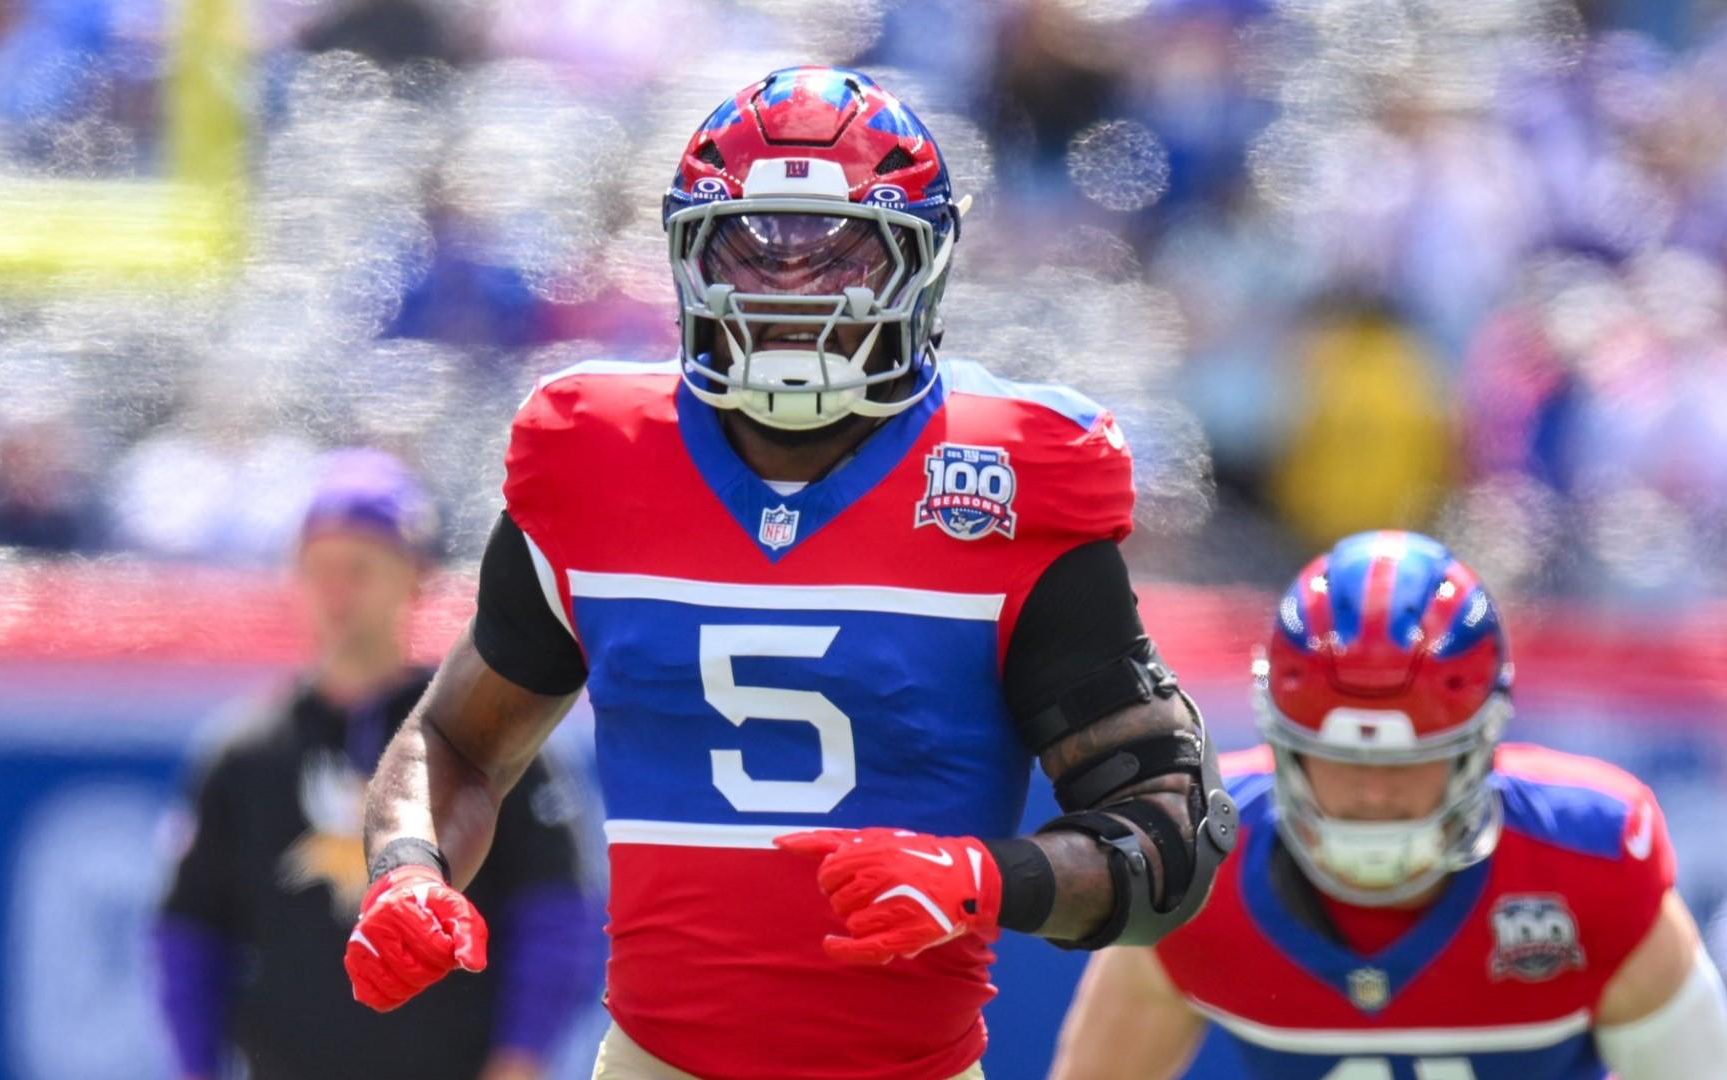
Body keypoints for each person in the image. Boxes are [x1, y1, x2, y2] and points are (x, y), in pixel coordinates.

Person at [341, 67, 1237, 1080]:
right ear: (687, 257)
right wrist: (410, 871)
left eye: (842, 255)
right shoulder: (596, 459)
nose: (791, 294)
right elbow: (458, 736)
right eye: (751, 251)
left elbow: (1169, 834)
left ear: (921, 264)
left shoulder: (1005, 481)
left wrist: (989, 880)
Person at [1049, 530, 1727, 1080]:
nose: (1373, 793)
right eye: (1341, 760)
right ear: (1283, 744)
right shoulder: (1199, 868)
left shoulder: (1591, 863)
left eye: (1409, 763)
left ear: (1481, 745)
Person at [154, 449, 599, 1080]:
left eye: (360, 568)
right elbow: (191, 937)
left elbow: (554, 914)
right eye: (320, 568)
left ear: (413, 575)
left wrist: (521, 1058)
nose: (337, 592)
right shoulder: (246, 752)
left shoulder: (477, 736)